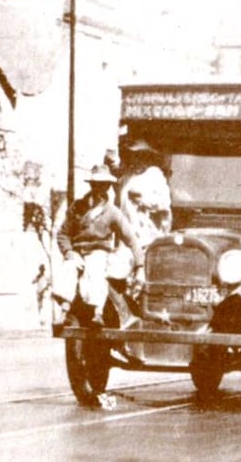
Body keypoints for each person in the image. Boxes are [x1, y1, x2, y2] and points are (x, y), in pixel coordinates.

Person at [56, 164, 145, 327]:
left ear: (108, 187)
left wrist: (140, 265)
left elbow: (131, 238)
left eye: (104, 184)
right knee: (68, 269)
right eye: (96, 184)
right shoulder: (77, 207)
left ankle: (98, 313)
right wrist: (69, 252)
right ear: (91, 185)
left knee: (95, 271)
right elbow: (62, 233)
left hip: (98, 252)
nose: (99, 188)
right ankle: (64, 311)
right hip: (77, 251)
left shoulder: (112, 212)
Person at [118, 138, 172, 246]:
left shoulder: (154, 174)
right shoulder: (126, 177)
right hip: (128, 231)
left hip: (147, 232)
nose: (136, 158)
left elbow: (164, 203)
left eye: (140, 155)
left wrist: (142, 200)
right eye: (133, 155)